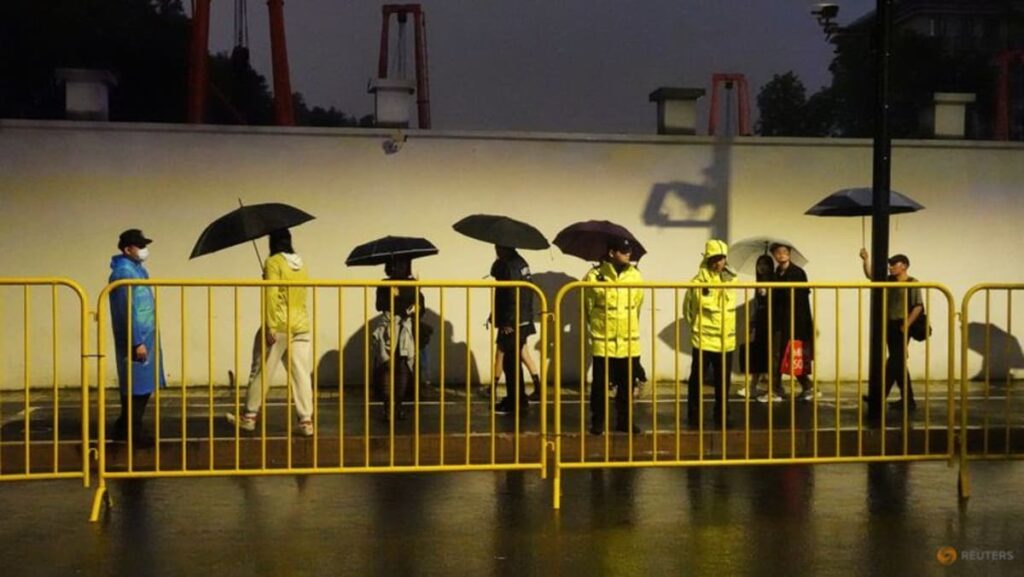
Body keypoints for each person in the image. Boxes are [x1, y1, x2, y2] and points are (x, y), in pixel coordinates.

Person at [226, 228, 314, 436]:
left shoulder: (273, 262)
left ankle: (249, 416)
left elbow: (272, 296)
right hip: (301, 325)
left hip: (280, 324)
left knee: (261, 371)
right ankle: (306, 421)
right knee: (301, 374)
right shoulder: (301, 265)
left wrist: (270, 326)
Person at [109, 228, 165, 446]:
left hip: (145, 335)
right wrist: (136, 341)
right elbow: (127, 310)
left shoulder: (137, 270)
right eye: (140, 246)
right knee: (137, 388)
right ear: (127, 249)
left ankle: (124, 426)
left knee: (141, 386)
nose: (144, 250)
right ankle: (133, 432)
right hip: (137, 338)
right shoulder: (124, 273)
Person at [584, 237, 644, 435]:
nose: (628, 253)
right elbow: (588, 306)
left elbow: (638, 306)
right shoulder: (594, 276)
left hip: (628, 342)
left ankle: (624, 421)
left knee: (626, 385)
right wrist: (596, 329)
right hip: (604, 342)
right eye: (623, 250)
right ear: (611, 253)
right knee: (600, 386)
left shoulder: (636, 276)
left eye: (629, 250)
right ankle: (598, 422)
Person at [860, 249, 923, 414]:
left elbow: (918, 306)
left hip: (902, 325)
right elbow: (871, 276)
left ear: (904, 266)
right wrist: (865, 260)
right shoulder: (889, 280)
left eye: (894, 265)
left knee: (894, 361)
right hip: (890, 324)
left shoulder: (912, 282)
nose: (891, 267)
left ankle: (879, 396)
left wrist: (907, 325)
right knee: (899, 362)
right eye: (891, 265)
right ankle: (908, 400)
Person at [684, 239, 736, 428]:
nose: (718, 262)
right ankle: (693, 415)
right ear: (707, 259)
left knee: (723, 382)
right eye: (714, 258)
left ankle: (722, 414)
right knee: (696, 380)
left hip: (726, 340)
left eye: (721, 258)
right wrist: (697, 327)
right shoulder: (697, 282)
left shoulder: (733, 281)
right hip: (704, 339)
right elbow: (688, 309)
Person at [758, 243, 819, 403]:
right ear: (774, 255)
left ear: (789, 254)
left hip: (794, 321)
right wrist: (765, 290)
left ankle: (782, 389)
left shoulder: (797, 273)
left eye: (785, 252)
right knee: (779, 355)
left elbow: (798, 300)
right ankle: (783, 388)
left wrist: (772, 289)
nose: (782, 255)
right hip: (780, 321)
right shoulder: (777, 272)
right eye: (778, 252)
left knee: (789, 355)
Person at [372, 256, 429, 421]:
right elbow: (380, 305)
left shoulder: (412, 283)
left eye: (404, 263)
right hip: (389, 328)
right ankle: (388, 406)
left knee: (403, 365)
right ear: (390, 266)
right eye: (397, 263)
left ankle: (398, 405)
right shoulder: (384, 283)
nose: (401, 266)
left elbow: (420, 307)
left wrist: (415, 306)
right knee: (387, 365)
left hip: (405, 329)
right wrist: (395, 297)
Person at [491, 245, 538, 415]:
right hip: (522, 318)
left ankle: (515, 401)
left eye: (497, 247)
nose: (495, 250)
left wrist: (507, 320)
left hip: (513, 320)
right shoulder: (520, 263)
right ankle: (519, 398)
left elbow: (511, 295)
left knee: (510, 363)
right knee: (514, 359)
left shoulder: (509, 266)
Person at [735, 254, 774, 399]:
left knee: (769, 355)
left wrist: (767, 292)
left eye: (766, 264)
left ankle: (763, 387)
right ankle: (753, 386)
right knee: (759, 354)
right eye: (760, 264)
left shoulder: (773, 281)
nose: (763, 267)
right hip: (761, 322)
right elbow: (757, 306)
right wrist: (752, 321)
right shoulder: (759, 282)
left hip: (771, 322)